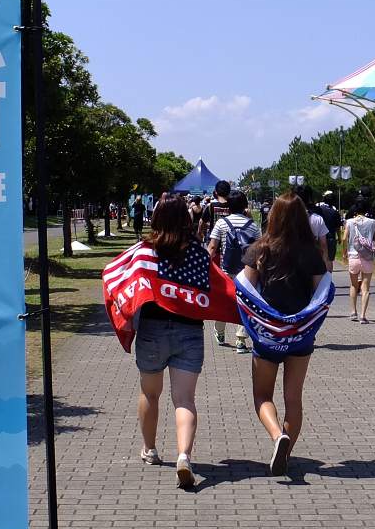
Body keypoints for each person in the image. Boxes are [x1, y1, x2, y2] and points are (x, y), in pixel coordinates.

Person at [238, 192, 328, 475]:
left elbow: (246, 291)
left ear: (272, 216)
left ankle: (278, 436)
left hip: (267, 335)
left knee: (262, 395)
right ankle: (285, 454)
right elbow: (320, 293)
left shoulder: (259, 250)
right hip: (300, 335)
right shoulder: (311, 253)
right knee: (293, 398)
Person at [133, 196, 208, 489]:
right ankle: (183, 456)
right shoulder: (199, 254)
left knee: (150, 394)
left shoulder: (144, 252)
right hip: (189, 330)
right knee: (185, 400)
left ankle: (150, 449)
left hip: (152, 330)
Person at [207, 190, 259, 353]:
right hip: (247, 270)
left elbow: (213, 247)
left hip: (225, 269)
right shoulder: (253, 226)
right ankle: (241, 340)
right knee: (245, 303)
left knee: (223, 301)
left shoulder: (221, 223)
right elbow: (259, 250)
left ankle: (220, 332)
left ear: (228, 206)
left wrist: (205, 265)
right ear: (245, 206)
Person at [343, 199, 375, 323]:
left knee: (354, 285)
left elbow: (344, 238)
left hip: (353, 255)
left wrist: (344, 253)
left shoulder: (349, 222)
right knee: (366, 287)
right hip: (367, 257)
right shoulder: (372, 222)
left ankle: (353, 312)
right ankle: (363, 316)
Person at [297, 186, 330, 267]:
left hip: (292, 258)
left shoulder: (286, 217)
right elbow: (323, 243)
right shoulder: (317, 218)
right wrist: (325, 259)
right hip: (312, 258)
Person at [314, 191, 342, 272]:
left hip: (319, 237)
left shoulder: (318, 209)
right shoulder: (335, 212)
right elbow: (338, 227)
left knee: (319, 258)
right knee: (329, 259)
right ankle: (328, 279)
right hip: (331, 238)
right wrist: (339, 237)